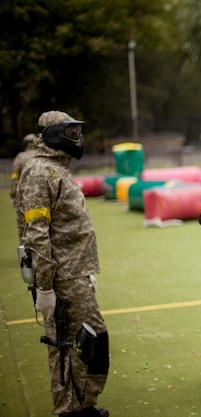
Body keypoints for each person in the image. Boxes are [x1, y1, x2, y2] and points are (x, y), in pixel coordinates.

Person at [15, 111, 109, 417]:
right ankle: (70, 409)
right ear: (52, 134)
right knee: (68, 344)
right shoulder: (40, 172)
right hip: (61, 278)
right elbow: (37, 234)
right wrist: (44, 286)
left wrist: (85, 272)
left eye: (76, 131)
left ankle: (82, 404)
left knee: (84, 342)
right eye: (68, 132)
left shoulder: (55, 169)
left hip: (74, 274)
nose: (75, 138)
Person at [10, 133, 38, 206]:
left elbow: (15, 177)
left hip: (25, 194)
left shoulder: (20, 157)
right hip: (42, 193)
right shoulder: (43, 155)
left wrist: (13, 194)